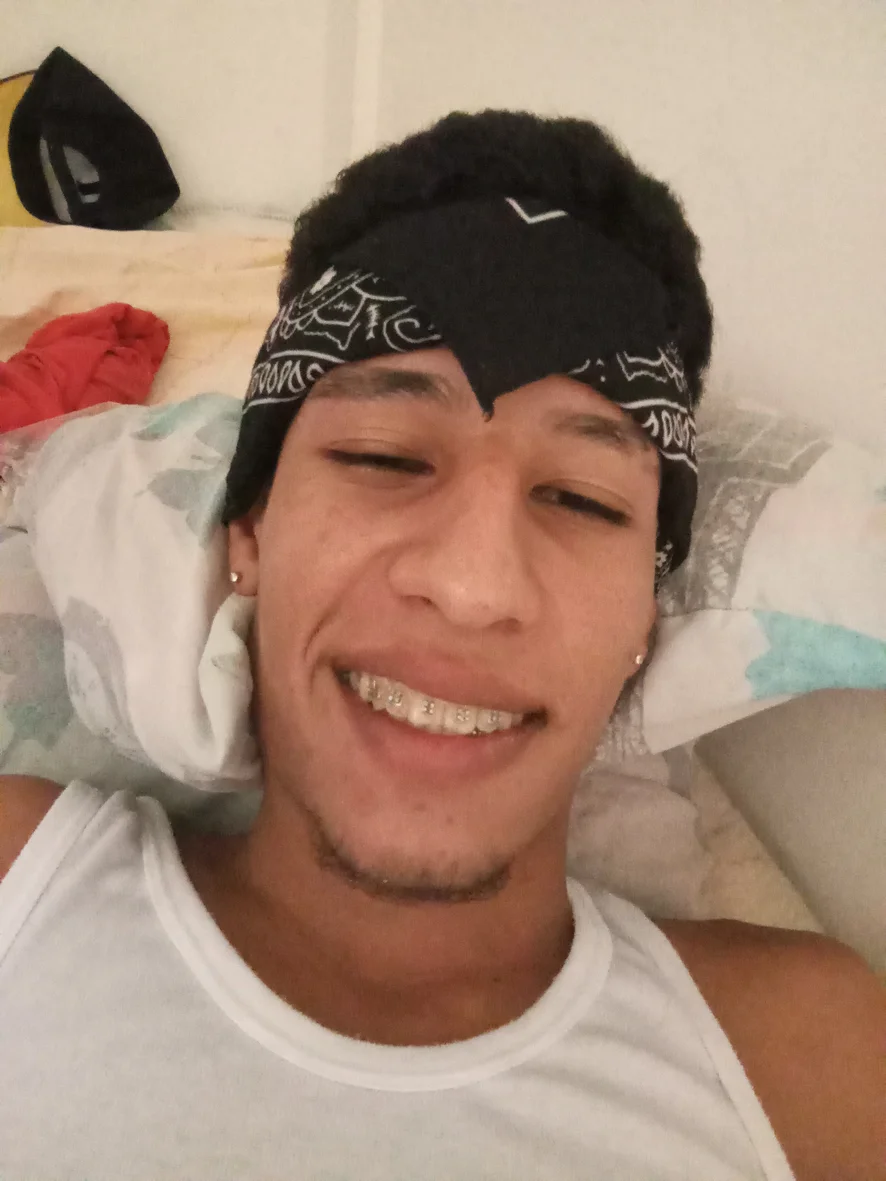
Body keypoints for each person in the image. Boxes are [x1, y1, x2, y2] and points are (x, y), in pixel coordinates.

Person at [0, 110, 883, 1180]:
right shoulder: (21, 886)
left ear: (643, 626)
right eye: (383, 457)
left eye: (581, 498)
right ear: (251, 533)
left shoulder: (809, 1062)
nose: (472, 586)